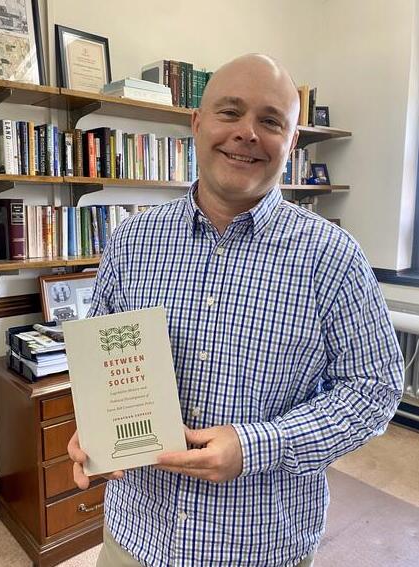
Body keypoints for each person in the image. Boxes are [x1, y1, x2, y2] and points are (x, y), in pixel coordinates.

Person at [68, 54, 404, 567]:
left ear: (292, 143)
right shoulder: (132, 239)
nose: (247, 133)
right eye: (229, 112)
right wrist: (94, 428)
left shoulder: (332, 256)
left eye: (270, 121)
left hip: (260, 546)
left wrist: (256, 446)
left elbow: (374, 392)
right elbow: (105, 361)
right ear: (197, 125)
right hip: (136, 534)